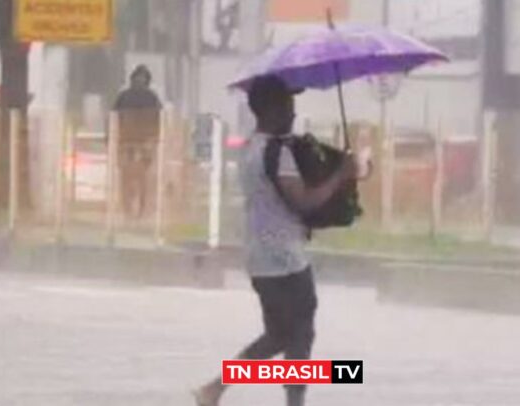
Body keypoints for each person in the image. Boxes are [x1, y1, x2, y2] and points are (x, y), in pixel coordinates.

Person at [193, 75, 359, 406]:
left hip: (259, 257)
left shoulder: (250, 148)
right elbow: (304, 201)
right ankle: (288, 402)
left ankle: (214, 389)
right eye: (287, 104)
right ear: (269, 109)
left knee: (279, 334)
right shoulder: (277, 151)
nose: (293, 112)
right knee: (300, 333)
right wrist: (341, 175)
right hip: (285, 258)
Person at [113, 65, 162, 219]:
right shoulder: (152, 97)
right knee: (143, 176)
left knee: (126, 176)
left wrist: (111, 139)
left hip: (126, 142)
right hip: (143, 142)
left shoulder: (123, 96)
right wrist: (155, 139)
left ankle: (128, 207)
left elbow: (113, 118)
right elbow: (159, 121)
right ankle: (140, 208)